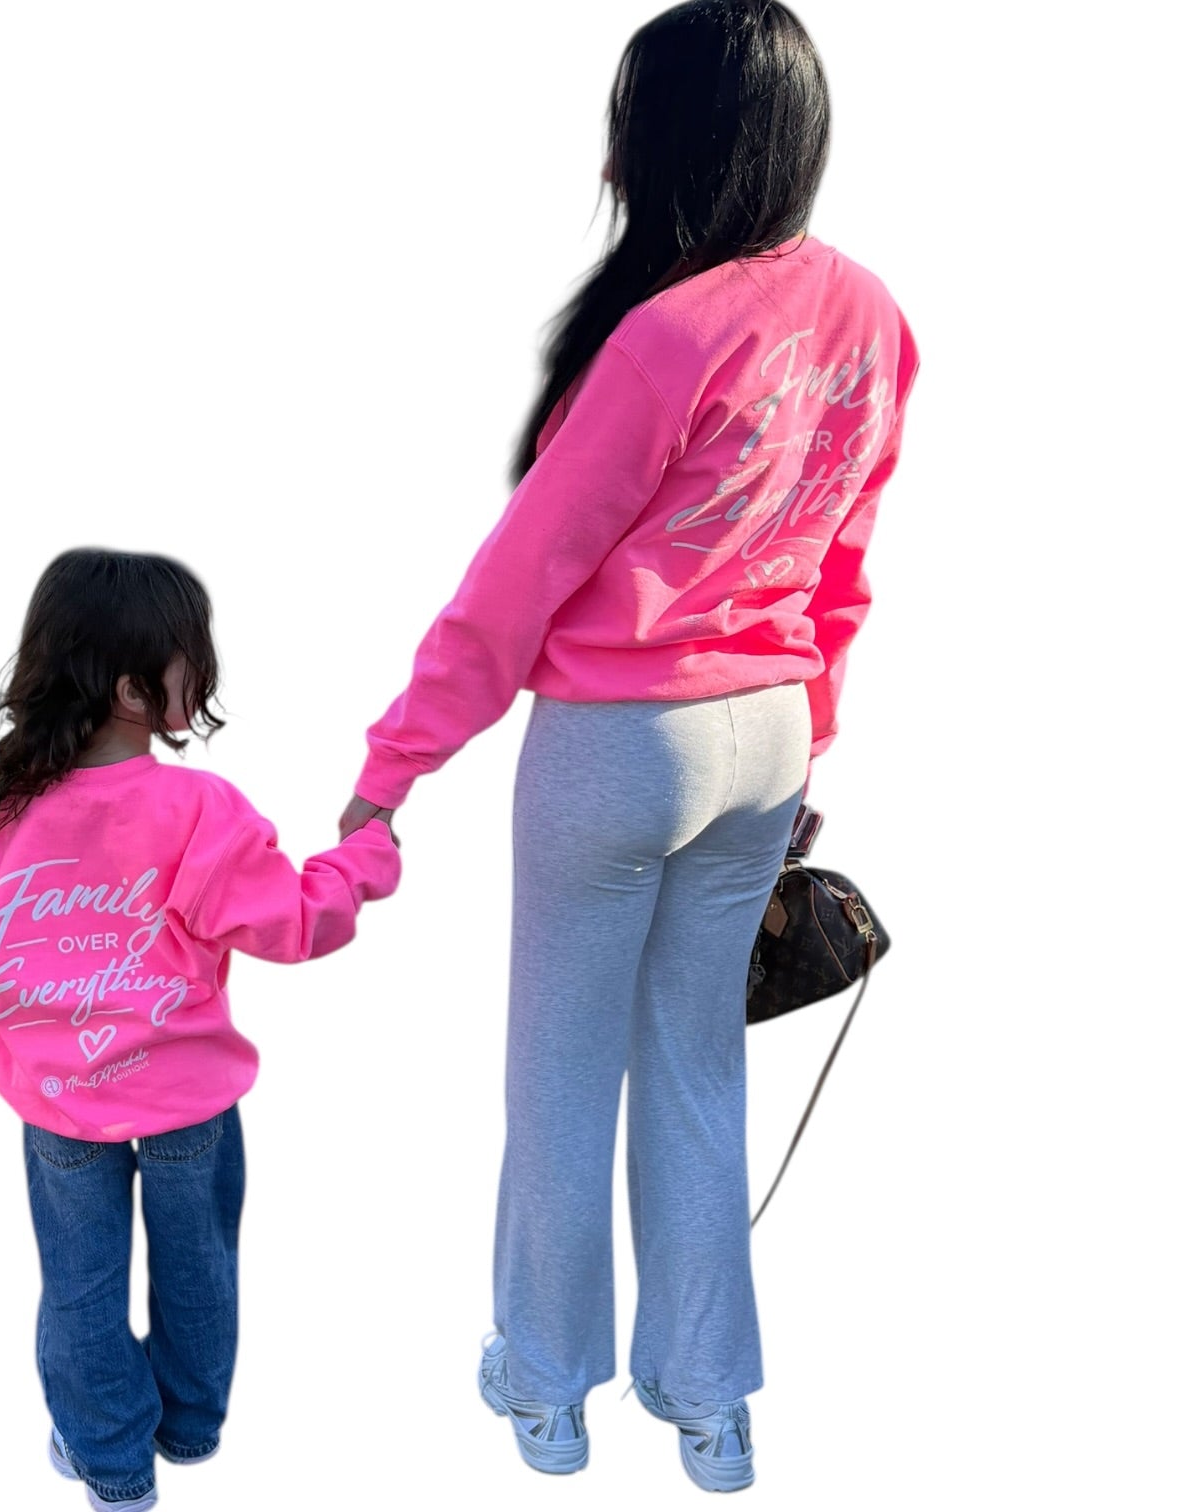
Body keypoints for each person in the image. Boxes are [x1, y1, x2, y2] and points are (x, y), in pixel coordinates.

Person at [338, 0, 917, 1492]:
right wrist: (813, 748)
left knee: (562, 1078)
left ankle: (543, 1386)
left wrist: (391, 770)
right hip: (765, 738)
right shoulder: (873, 317)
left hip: (622, 745)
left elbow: (514, 586)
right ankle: (709, 1405)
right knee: (696, 1075)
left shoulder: (664, 338)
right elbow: (843, 565)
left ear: (668, 139)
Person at [0, 548, 400, 1512]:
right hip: (187, 1102)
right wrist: (363, 860)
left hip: (59, 1103)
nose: (206, 669)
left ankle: (112, 1464)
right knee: (198, 1268)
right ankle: (186, 1425)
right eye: (191, 655)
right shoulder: (196, 811)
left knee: (81, 1288)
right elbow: (294, 923)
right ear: (133, 688)